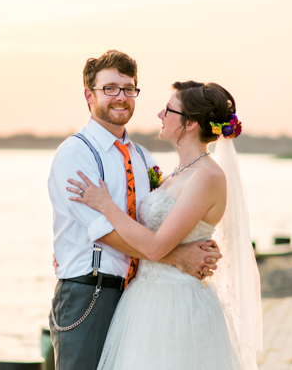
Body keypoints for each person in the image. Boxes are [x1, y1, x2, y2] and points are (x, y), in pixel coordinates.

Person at [68, 80, 263, 370]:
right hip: (143, 300)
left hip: (176, 304)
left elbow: (156, 247)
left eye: (169, 110)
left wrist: (106, 204)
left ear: (190, 124)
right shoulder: (176, 174)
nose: (160, 114)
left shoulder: (207, 177)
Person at [48, 51, 223, 370]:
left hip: (138, 297)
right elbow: (104, 231)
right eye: (110, 88)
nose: (121, 97)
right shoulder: (75, 155)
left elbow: (167, 219)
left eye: (129, 89)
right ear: (89, 95)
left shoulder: (144, 159)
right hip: (90, 293)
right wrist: (178, 257)